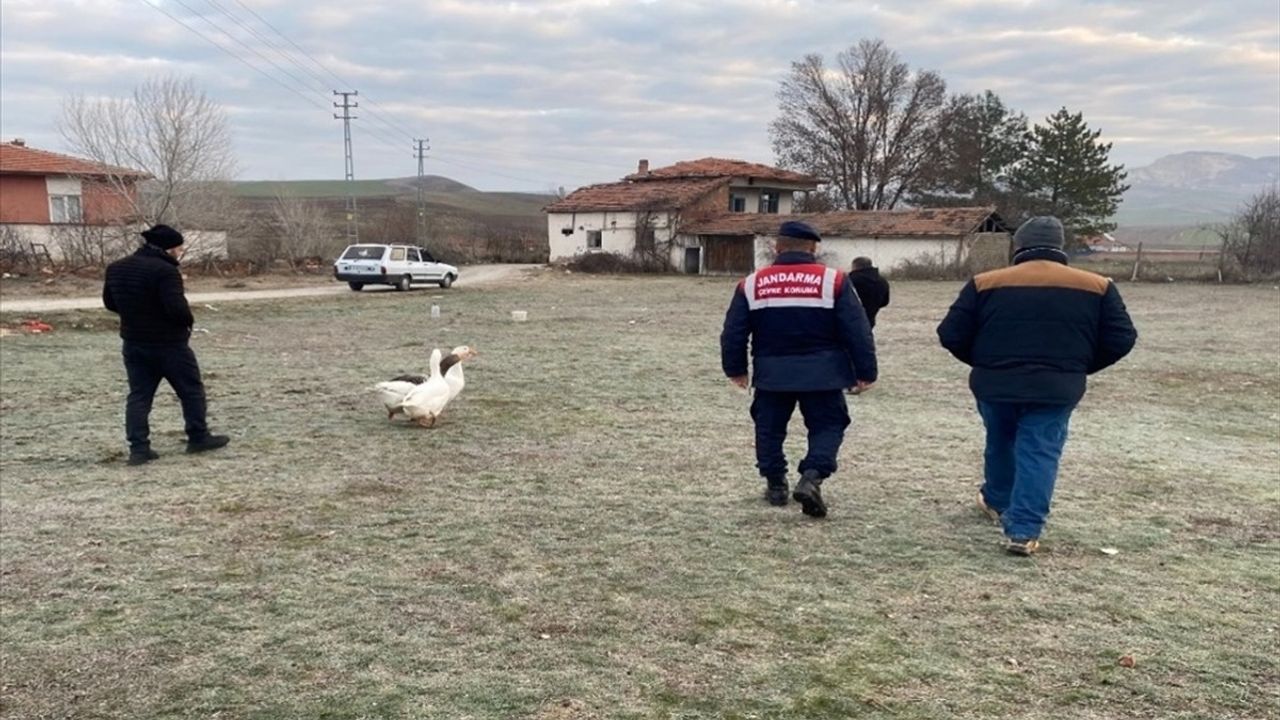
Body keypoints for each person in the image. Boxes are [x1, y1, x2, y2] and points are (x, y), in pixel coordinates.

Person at [936, 216, 1136, 555]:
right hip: (1058, 386)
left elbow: (951, 334)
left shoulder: (985, 283)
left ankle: (998, 500)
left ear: (1019, 246)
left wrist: (984, 362)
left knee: (1000, 441)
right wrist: (1079, 367)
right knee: (1040, 450)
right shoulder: (1097, 286)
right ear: (1060, 245)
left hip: (994, 382)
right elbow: (1121, 338)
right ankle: (1024, 530)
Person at [720, 220, 878, 518]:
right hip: (824, 373)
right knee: (828, 426)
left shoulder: (751, 283)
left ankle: (776, 483)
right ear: (814, 248)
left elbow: (734, 332)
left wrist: (736, 368)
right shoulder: (836, 282)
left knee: (769, 429)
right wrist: (866, 371)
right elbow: (857, 331)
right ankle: (812, 476)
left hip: (771, 373)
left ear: (777, 248)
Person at [103, 224, 230, 465]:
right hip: (169, 344)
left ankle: (139, 449)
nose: (180, 251)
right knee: (191, 390)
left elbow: (110, 303)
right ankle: (198, 436)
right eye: (179, 247)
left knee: (139, 396)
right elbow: (176, 308)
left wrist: (135, 314)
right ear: (168, 248)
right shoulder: (165, 271)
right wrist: (187, 322)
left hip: (133, 342)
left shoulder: (116, 268)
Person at [848, 257, 890, 328]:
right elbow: (885, 302)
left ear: (855, 266)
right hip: (870, 320)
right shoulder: (882, 281)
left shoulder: (850, 280)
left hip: (850, 319)